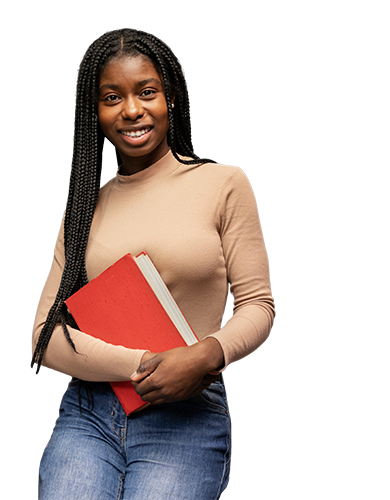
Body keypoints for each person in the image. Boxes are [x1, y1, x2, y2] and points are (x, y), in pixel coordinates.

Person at [31, 27, 275, 500]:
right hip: (88, 412)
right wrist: (143, 365)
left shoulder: (222, 184)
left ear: (172, 99)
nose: (131, 110)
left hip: (186, 415)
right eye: (111, 97)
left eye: (147, 92)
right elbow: (44, 335)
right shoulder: (85, 207)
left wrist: (206, 354)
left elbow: (258, 304)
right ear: (95, 114)